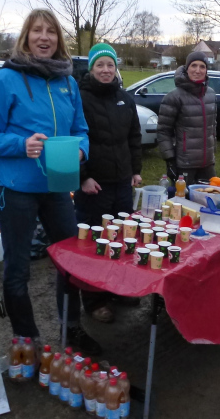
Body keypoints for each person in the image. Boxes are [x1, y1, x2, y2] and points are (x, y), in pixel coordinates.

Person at [0, 9, 101, 354]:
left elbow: (81, 129)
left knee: (70, 260)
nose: (44, 37)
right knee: (18, 268)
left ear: (59, 39)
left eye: (51, 32)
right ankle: (25, 339)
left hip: (57, 187)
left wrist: (81, 151)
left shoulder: (67, 82)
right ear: (26, 37)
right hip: (15, 189)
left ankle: (71, 329)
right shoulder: (5, 80)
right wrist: (21, 145)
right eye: (37, 31)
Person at [73, 43, 142, 323]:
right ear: (91, 69)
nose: (105, 70)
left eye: (110, 65)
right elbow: (74, 140)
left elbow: (134, 137)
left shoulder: (125, 99)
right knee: (95, 242)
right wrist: (83, 177)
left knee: (122, 238)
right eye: (100, 65)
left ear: (116, 68)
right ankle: (94, 300)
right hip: (94, 185)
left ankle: (118, 289)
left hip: (122, 182)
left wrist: (135, 170)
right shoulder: (79, 99)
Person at [157, 51, 217, 186]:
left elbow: (212, 126)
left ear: (206, 70)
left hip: (207, 164)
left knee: (211, 196)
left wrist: (212, 152)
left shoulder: (211, 95)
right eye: (193, 65)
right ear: (186, 68)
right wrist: (170, 160)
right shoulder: (173, 97)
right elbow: (163, 131)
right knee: (184, 199)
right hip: (185, 163)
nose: (198, 70)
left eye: (202, 66)